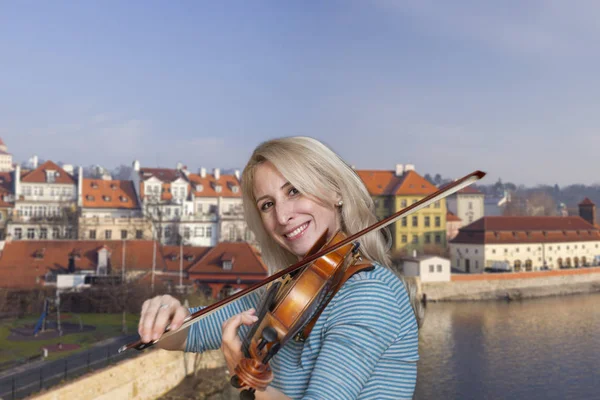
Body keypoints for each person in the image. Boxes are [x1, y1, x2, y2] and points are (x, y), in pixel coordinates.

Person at [138, 137, 420, 399]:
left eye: (294, 191)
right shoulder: (294, 288)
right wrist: (166, 313)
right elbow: (193, 333)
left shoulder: (370, 293)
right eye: (267, 204)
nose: (283, 216)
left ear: (336, 192)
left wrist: (249, 378)